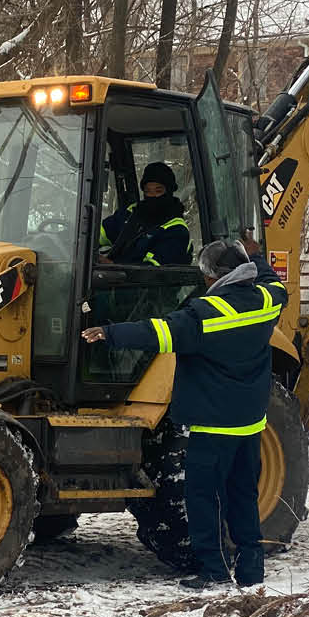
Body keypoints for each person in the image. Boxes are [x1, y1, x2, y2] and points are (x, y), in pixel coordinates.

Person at [82, 238, 288, 589]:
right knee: (242, 495)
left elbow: (157, 331)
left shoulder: (205, 315)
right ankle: (251, 570)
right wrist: (254, 256)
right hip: (249, 424)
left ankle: (214, 569)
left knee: (203, 497)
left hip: (213, 427)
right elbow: (274, 282)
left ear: (212, 278)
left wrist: (108, 332)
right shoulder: (267, 302)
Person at [102, 164, 193, 268]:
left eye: (158, 191)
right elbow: (99, 233)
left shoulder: (176, 230)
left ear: (169, 191)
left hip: (143, 283)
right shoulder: (131, 213)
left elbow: (152, 272)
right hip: (110, 279)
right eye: (147, 191)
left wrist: (112, 266)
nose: (152, 196)